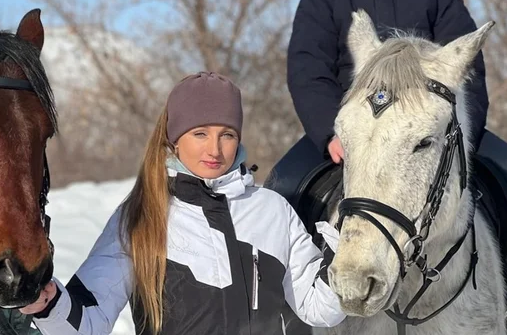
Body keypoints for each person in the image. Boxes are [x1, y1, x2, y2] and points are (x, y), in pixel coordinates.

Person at [284, 0, 507, 332]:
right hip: (354, 131)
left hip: (431, 128)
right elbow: (307, 67)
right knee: (283, 185)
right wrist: (329, 132)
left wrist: (459, 137)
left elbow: (467, 70)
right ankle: (293, 310)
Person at [19, 72, 346, 334]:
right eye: (200, 134)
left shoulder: (272, 211)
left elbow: (318, 308)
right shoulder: (142, 216)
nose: (215, 150)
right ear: (175, 140)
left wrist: (344, 266)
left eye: (227, 134)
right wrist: (50, 305)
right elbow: (89, 321)